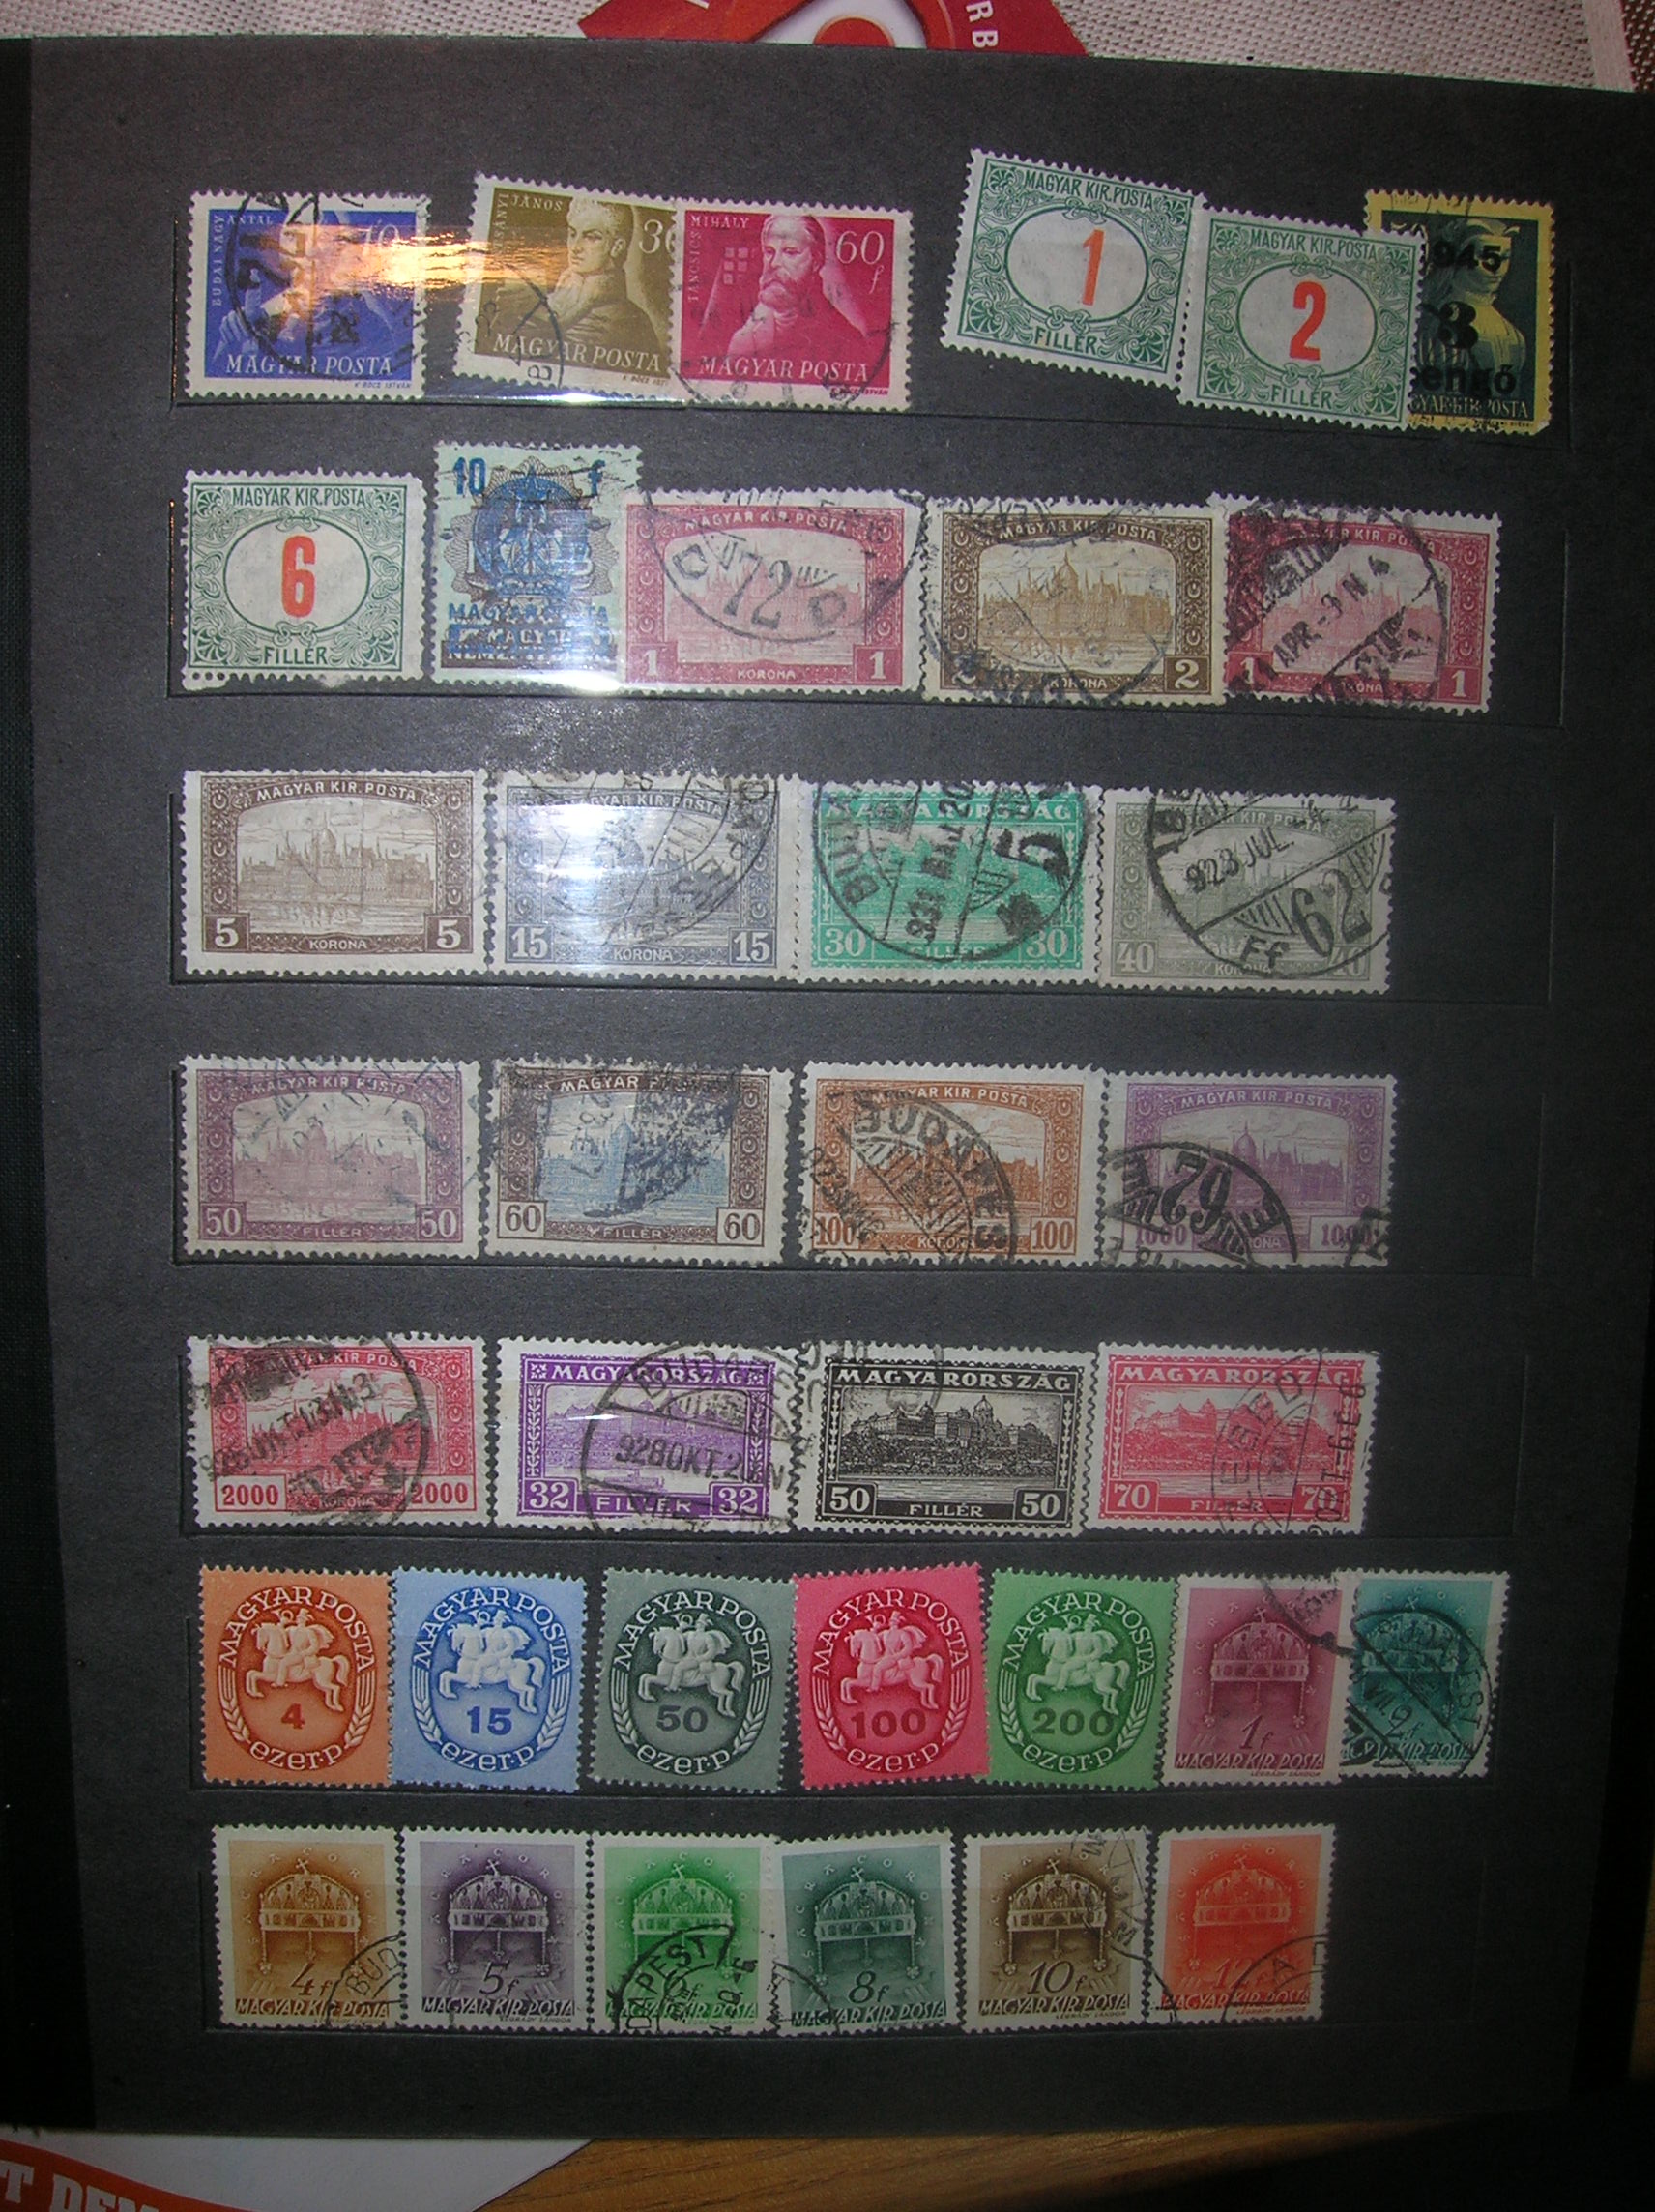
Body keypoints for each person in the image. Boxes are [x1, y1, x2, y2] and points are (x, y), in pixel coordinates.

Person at [699, 211, 881, 379]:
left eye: (790, 252)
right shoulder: (743, 337)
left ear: (816, 262)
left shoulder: (847, 341)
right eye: (769, 252)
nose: (774, 263)